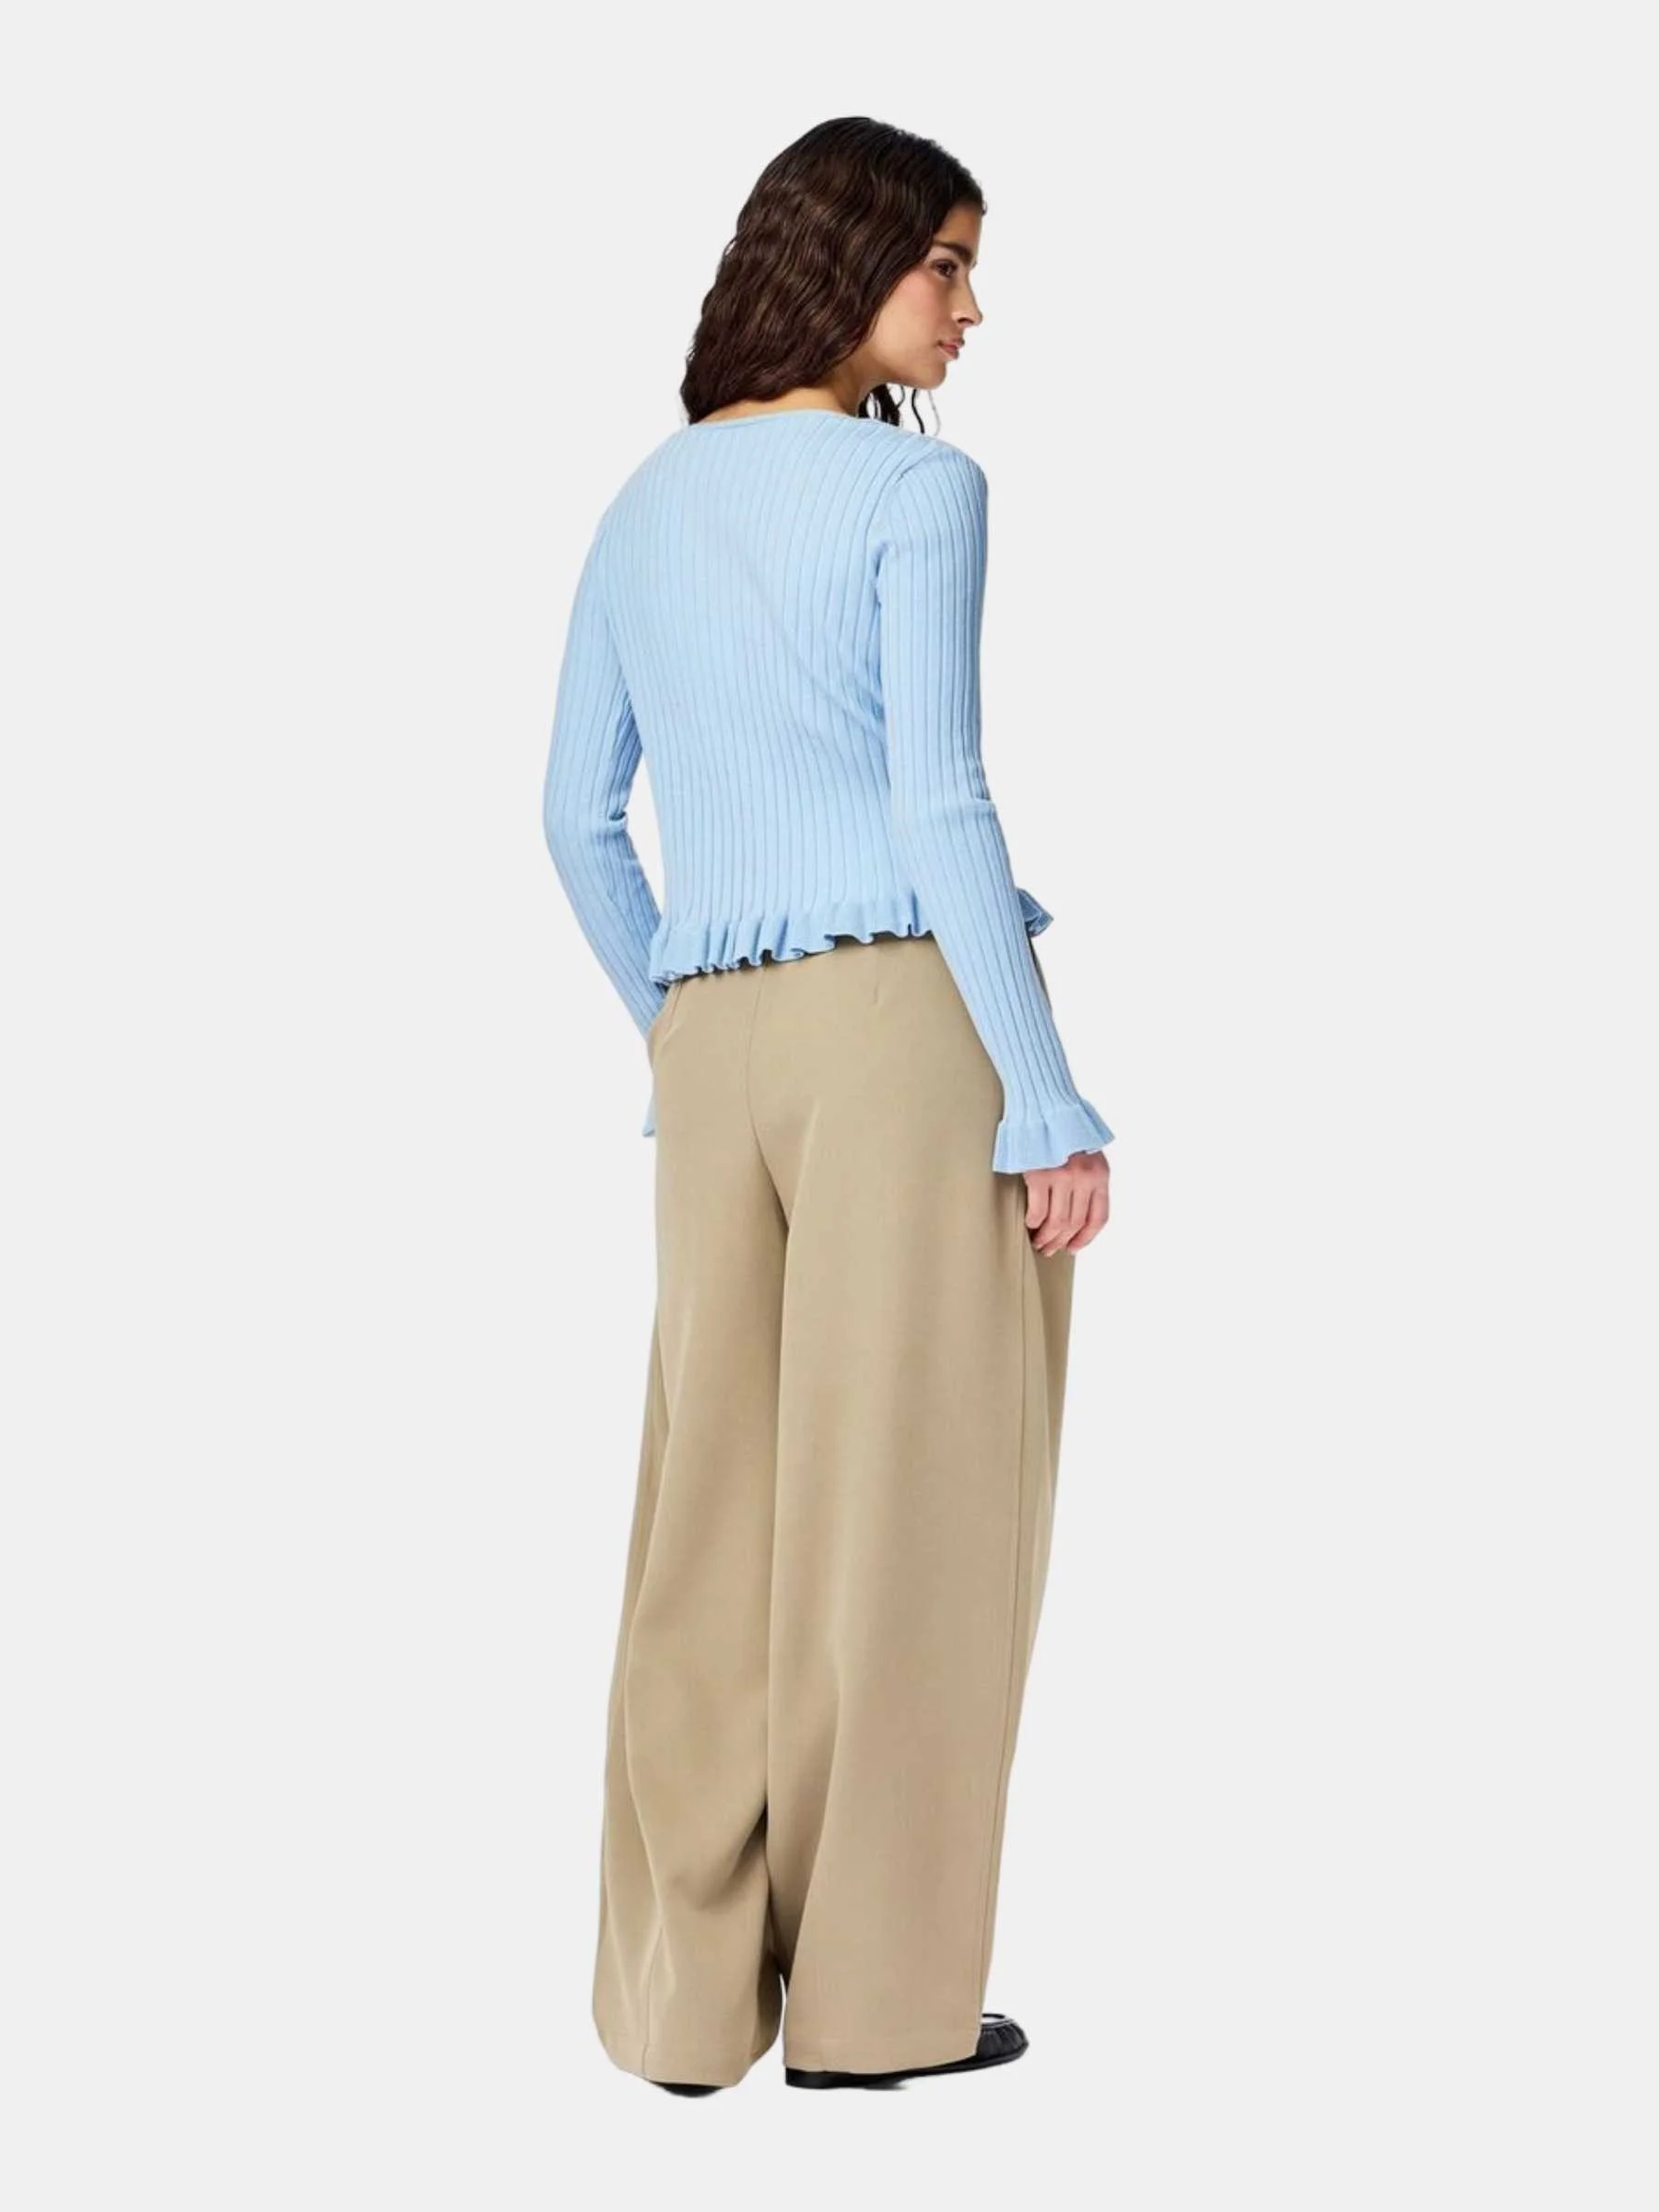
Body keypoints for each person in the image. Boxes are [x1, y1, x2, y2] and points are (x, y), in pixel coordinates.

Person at [542, 115, 1114, 2096]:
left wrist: (681, 1024)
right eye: (945, 263)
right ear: (848, 258)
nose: (970, 308)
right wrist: (1045, 1096)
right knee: (914, 1525)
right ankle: (876, 2012)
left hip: (714, 1053)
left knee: (709, 1517)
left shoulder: (644, 505)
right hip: (903, 1033)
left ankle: (682, 2007)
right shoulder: (914, 490)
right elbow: (941, 803)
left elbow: (572, 819)